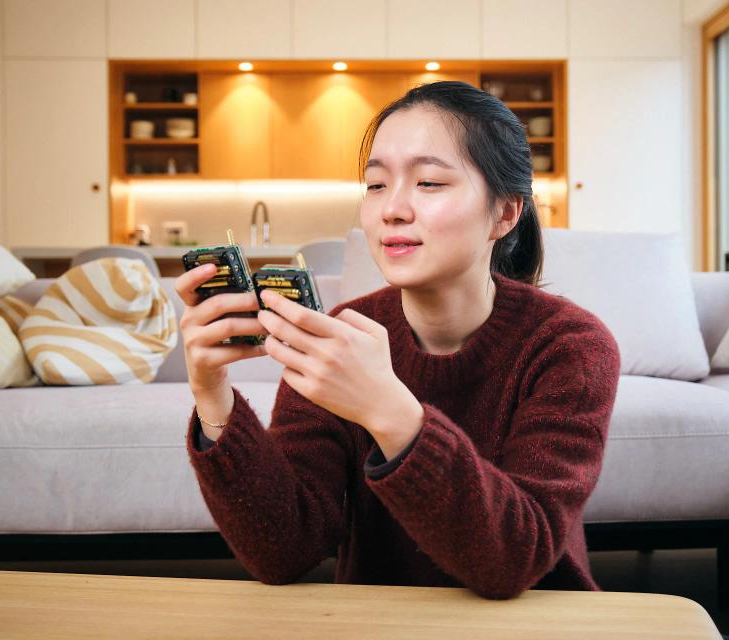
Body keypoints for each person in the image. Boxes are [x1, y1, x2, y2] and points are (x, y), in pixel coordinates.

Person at [175, 80, 621, 600]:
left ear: (504, 213)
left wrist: (386, 410)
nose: (392, 209)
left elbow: (513, 560)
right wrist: (213, 398)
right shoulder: (343, 335)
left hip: (537, 623)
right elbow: (283, 550)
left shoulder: (570, 346)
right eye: (376, 185)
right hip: (380, 622)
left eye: (429, 182)